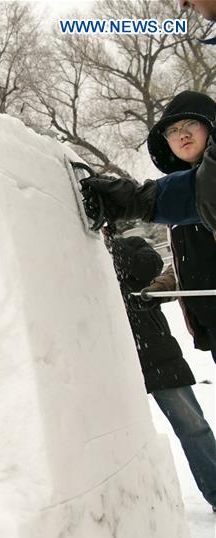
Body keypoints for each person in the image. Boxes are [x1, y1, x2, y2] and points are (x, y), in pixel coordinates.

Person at [82, 91, 216, 361]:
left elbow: (208, 190)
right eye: (173, 130)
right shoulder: (181, 204)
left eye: (192, 125)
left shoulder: (196, 192)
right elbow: (195, 258)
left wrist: (137, 200)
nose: (182, 135)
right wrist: (165, 286)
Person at [109, 236, 216, 512]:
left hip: (156, 354)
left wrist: (109, 247)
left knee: (193, 427)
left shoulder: (127, 245)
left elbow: (150, 266)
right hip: (112, 360)